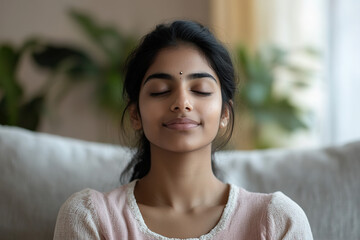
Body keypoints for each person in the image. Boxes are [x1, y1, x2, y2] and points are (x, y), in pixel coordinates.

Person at [53, 20, 313, 240]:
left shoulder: (277, 220)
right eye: (160, 91)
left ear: (224, 113)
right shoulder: (90, 217)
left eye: (200, 90)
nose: (181, 103)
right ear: (135, 114)